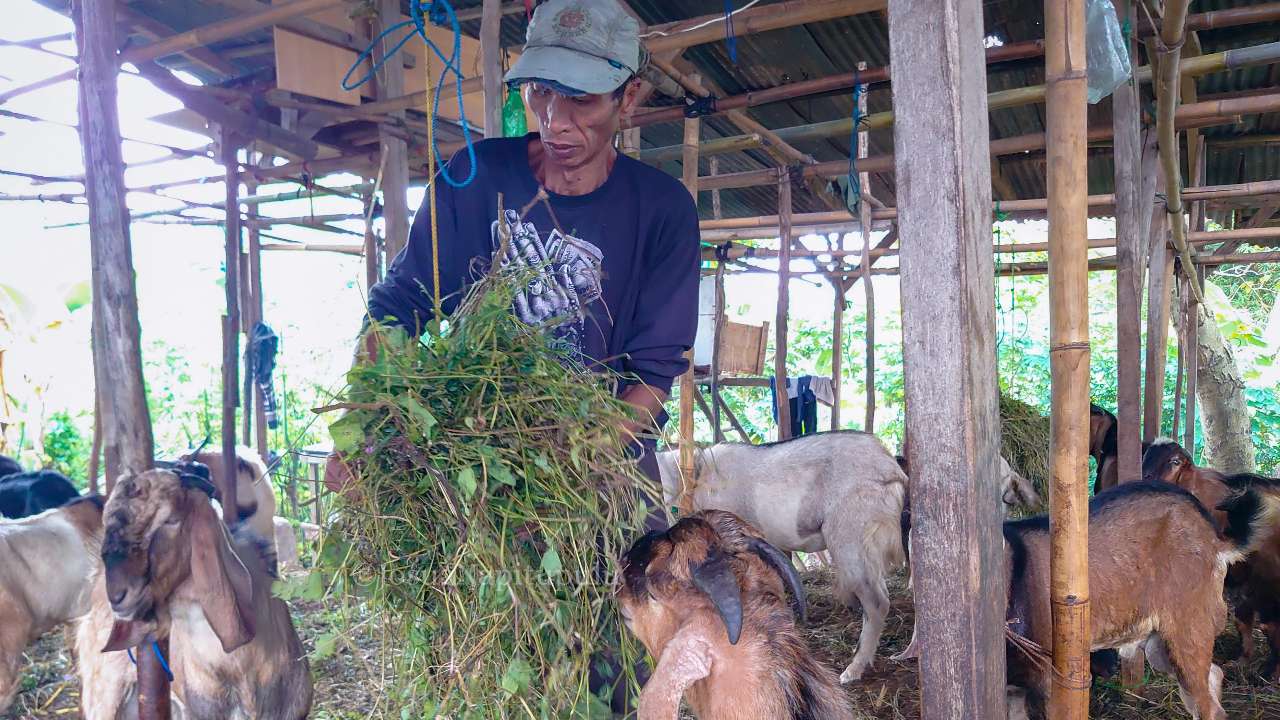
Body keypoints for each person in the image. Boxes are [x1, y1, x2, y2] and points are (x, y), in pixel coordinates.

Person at [323, 0, 700, 710]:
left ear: (630, 97)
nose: (554, 119)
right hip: (476, 467)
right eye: (540, 91)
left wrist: (565, 472)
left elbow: (652, 375)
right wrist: (364, 420)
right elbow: (400, 303)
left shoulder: (663, 210)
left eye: (581, 98)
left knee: (617, 665)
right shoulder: (476, 179)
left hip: (603, 472)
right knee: (478, 661)